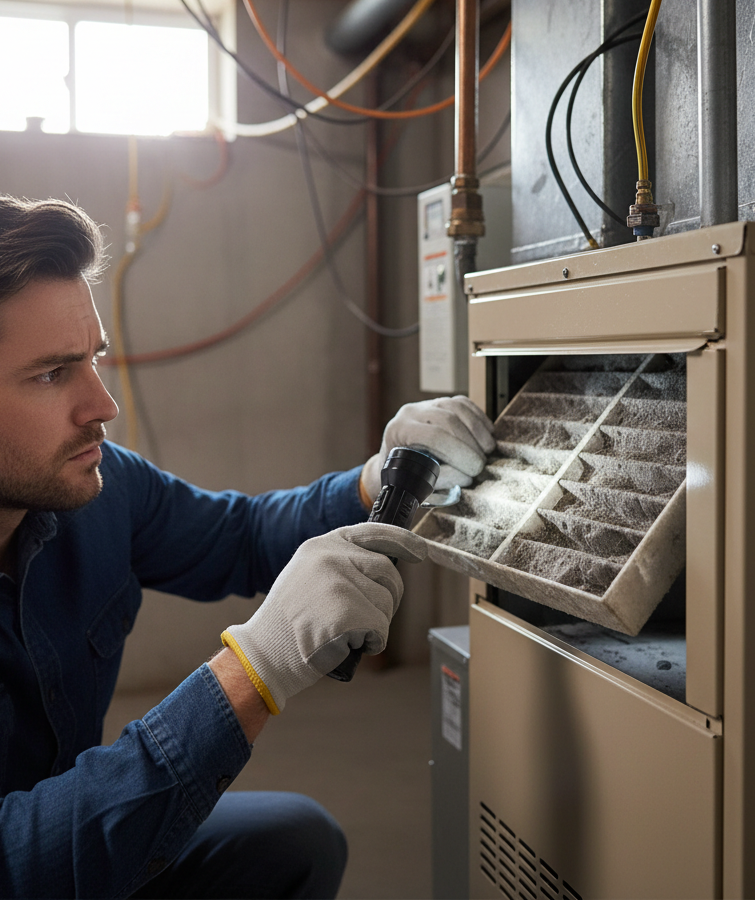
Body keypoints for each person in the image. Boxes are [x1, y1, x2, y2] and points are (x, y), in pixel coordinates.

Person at [0, 196, 495, 899]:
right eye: (52, 374)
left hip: (78, 838)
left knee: (293, 843)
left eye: (93, 360)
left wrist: (371, 481)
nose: (102, 407)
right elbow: (17, 862)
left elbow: (240, 536)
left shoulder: (102, 490)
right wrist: (251, 672)